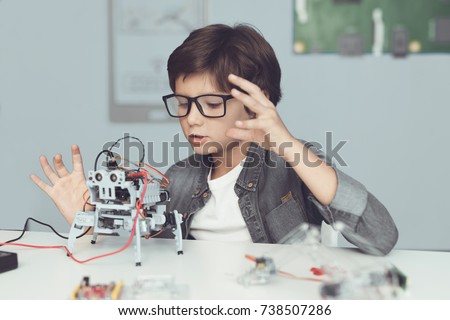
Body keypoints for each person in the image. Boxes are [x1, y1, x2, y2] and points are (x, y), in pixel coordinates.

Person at [31, 23, 398, 256]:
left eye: (209, 104)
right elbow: (149, 257)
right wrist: (90, 216)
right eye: (183, 103)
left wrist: (286, 142)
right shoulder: (178, 179)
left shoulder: (294, 166)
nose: (191, 118)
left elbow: (381, 237)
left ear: (255, 102)